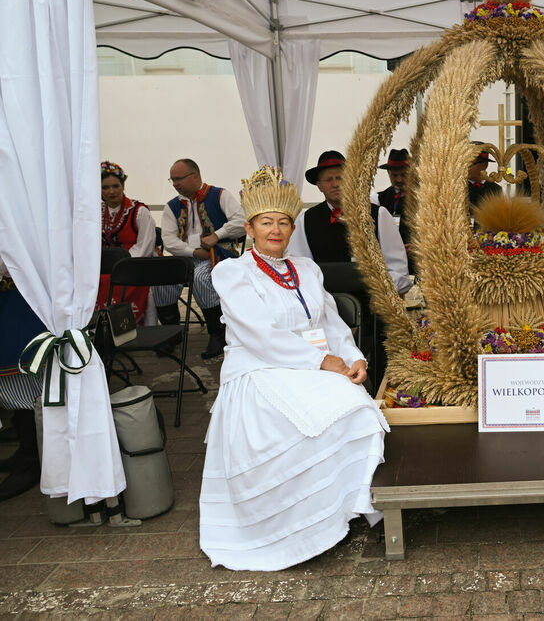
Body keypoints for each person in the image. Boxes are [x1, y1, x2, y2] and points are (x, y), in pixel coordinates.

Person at [200, 166, 389, 571]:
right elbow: (258, 334)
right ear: (249, 228)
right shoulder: (232, 273)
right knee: (333, 413)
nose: (276, 230)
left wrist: (354, 356)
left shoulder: (307, 269)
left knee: (357, 409)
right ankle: (304, 526)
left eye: (284, 222)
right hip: (260, 368)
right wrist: (323, 361)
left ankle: (346, 506)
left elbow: (331, 323)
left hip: (310, 366)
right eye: (266, 222)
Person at [150, 158, 245, 359]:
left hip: (221, 253)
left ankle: (217, 332)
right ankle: (171, 332)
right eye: (172, 180)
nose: (175, 184)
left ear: (195, 176)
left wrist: (217, 235)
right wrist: (193, 252)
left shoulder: (219, 195)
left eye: (179, 179)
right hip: (187, 256)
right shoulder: (172, 206)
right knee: (161, 277)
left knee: (201, 277)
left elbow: (241, 222)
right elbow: (168, 240)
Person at [289, 150, 412, 295]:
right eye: (328, 180)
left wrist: (382, 295)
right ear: (319, 186)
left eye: (340, 178)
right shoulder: (305, 220)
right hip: (326, 310)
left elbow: (399, 272)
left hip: (374, 311)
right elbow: (301, 272)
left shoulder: (379, 215)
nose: (335, 184)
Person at [0, 257, 44, 501]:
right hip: (9, 296)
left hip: (21, 297)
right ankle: (26, 449)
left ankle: (32, 457)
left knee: (23, 369)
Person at [97, 161, 156, 323]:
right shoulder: (95, 213)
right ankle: (101, 328)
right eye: (105, 187)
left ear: (123, 186)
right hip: (103, 267)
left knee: (115, 281)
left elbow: (146, 245)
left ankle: (129, 326)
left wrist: (121, 263)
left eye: (115, 186)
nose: (111, 192)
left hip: (134, 265)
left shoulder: (139, 211)